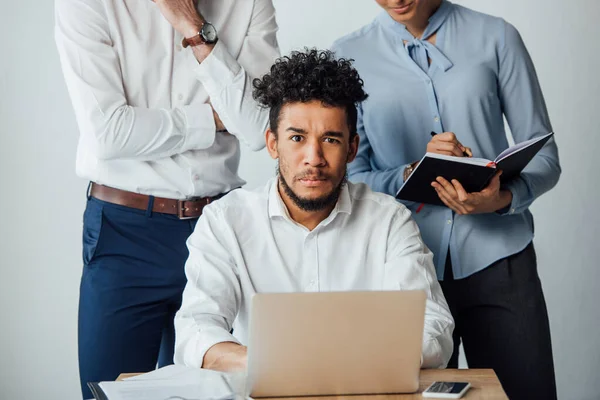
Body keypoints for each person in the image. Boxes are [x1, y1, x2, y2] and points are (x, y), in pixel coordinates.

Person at [331, 1, 560, 399]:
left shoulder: (497, 37)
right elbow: (351, 175)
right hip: (405, 268)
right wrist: (412, 170)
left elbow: (545, 155)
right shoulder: (349, 56)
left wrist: (502, 198)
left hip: (501, 262)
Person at [173, 49, 454, 371]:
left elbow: (433, 327)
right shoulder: (225, 221)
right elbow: (196, 329)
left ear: (351, 148)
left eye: (331, 140)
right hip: (264, 386)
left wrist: (349, 363)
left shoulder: (389, 220)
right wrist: (270, 364)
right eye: (297, 138)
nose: (314, 158)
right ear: (273, 143)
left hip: (364, 387)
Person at [54, 0, 279, 397]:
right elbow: (108, 134)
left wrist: (193, 29)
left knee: (223, 392)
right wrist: (210, 118)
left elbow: (259, 126)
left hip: (219, 232)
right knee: (108, 392)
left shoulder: (250, 3)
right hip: (125, 233)